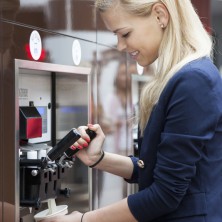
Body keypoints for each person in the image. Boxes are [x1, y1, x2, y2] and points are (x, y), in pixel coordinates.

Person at [40, 0, 222, 222]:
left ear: (160, 15)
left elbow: (165, 194)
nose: (120, 46)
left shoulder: (194, 80)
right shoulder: (185, 77)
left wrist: (81, 220)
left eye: (124, 34)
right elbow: (157, 170)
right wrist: (99, 159)